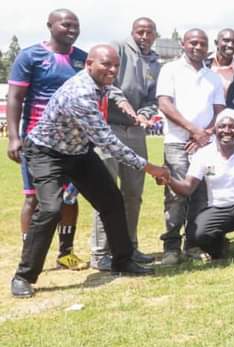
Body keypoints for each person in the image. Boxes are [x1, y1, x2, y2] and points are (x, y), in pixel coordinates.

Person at [12, 45, 168, 298]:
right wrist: (151, 168)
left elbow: (113, 90)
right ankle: (23, 276)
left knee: (112, 201)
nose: (112, 70)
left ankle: (122, 260)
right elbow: (109, 143)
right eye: (106, 65)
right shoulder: (81, 94)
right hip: (47, 152)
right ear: (89, 64)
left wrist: (126, 105)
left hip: (79, 152)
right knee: (50, 209)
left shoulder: (101, 83)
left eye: (116, 66)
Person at [7, 9, 96, 271]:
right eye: (66, 24)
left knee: (69, 197)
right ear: (50, 26)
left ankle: (65, 253)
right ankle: (30, 253)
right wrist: (14, 137)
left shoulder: (83, 59)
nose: (72, 29)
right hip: (38, 142)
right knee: (35, 199)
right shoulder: (31, 56)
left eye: (76, 25)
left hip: (73, 142)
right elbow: (15, 98)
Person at [89, 17, 161, 270]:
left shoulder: (155, 61)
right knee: (107, 192)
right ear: (132, 32)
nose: (144, 36)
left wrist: (145, 114)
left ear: (155, 35)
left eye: (149, 32)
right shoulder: (117, 48)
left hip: (136, 132)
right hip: (109, 128)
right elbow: (108, 86)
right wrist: (130, 111)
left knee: (133, 194)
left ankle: (129, 246)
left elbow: (154, 99)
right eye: (140, 31)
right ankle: (100, 252)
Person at [163, 109, 234, 265]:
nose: (227, 131)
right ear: (215, 129)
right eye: (222, 126)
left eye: (233, 127)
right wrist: (169, 179)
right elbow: (187, 187)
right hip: (219, 209)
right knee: (197, 236)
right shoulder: (203, 154)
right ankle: (219, 244)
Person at [157, 28, 226, 265]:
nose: (198, 47)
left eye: (202, 44)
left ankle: (193, 245)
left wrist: (204, 134)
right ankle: (171, 247)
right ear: (183, 45)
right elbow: (165, 104)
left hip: (206, 144)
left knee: (201, 196)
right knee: (176, 195)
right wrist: (192, 130)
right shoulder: (170, 70)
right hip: (177, 142)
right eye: (193, 43)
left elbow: (219, 111)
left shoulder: (213, 77)